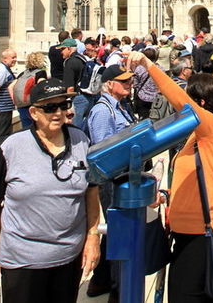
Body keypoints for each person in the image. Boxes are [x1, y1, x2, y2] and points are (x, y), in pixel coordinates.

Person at [125, 50, 213, 303]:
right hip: (186, 231)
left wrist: (149, 66)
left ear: (201, 105)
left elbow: (181, 102)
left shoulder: (212, 128)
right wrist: (167, 195)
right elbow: (197, 178)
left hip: (201, 233)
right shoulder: (196, 138)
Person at [0, 79, 101, 301]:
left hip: (67, 259)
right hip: (23, 261)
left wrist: (92, 237)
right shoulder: (12, 147)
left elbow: (91, 192)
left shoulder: (80, 140)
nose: (59, 113)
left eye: (63, 105)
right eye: (50, 108)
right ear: (34, 113)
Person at [84, 65, 137, 299]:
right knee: (117, 232)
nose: (129, 84)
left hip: (121, 178)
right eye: (123, 81)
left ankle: (102, 280)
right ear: (109, 84)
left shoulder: (121, 106)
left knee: (115, 231)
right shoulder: (103, 112)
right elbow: (102, 152)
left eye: (129, 80)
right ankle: (113, 285)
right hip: (109, 182)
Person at [10, 52, 48, 130]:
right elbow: (42, 85)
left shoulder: (23, 74)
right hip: (33, 105)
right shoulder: (40, 73)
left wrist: (15, 101)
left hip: (21, 106)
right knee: (38, 129)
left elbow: (10, 87)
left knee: (26, 128)